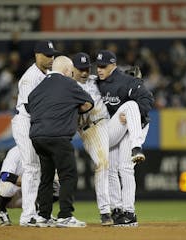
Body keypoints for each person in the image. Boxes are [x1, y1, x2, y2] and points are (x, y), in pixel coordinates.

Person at [28, 56, 94, 228]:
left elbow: (30, 105)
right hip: (58, 137)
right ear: (67, 71)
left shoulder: (39, 87)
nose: (72, 74)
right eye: (71, 71)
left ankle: (43, 216)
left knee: (47, 177)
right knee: (68, 175)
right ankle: (65, 215)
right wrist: (73, 108)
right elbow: (89, 103)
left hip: (37, 137)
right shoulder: (69, 84)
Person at [95, 50, 154, 226]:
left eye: (103, 66)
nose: (99, 69)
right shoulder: (95, 84)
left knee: (125, 168)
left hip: (131, 129)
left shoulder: (127, 81)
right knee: (112, 169)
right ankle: (117, 208)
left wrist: (133, 113)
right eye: (97, 66)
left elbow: (147, 101)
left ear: (113, 65)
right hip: (111, 130)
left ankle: (127, 212)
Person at [11, 40, 59, 226]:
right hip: (26, 121)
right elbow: (32, 107)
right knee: (31, 167)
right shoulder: (30, 78)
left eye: (52, 55)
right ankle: (28, 215)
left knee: (41, 169)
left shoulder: (47, 74)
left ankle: (40, 214)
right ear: (37, 55)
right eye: (47, 55)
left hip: (38, 124)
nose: (51, 58)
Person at [71, 52, 113, 226]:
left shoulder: (96, 79)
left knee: (118, 165)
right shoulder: (67, 85)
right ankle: (105, 211)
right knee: (102, 163)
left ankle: (120, 209)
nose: (84, 72)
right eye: (80, 69)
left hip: (108, 122)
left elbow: (116, 76)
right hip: (89, 128)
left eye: (87, 68)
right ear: (72, 69)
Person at [0, 146, 60, 226]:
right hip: (14, 197)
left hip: (32, 196)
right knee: (7, 187)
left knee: (56, 186)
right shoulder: (16, 152)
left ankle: (43, 214)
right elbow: (5, 176)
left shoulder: (42, 152)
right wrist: (27, 181)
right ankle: (2, 211)